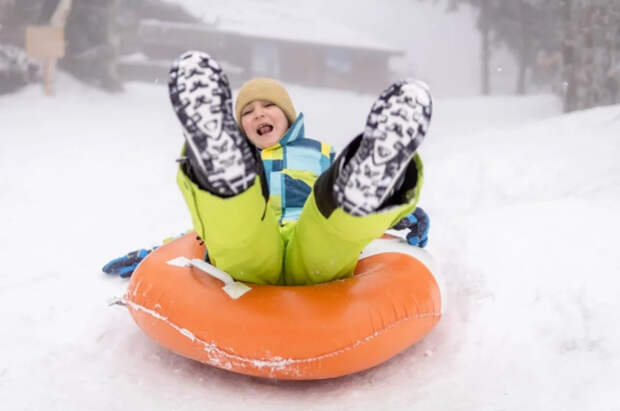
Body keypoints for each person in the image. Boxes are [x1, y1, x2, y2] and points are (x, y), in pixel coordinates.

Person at [104, 50, 431, 285]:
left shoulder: (321, 153)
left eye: (268, 105)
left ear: (288, 114)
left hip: (308, 237)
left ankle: (376, 178)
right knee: (237, 232)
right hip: (260, 246)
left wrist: (395, 213)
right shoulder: (248, 162)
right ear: (239, 127)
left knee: (333, 224)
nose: (258, 114)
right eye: (247, 112)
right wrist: (157, 253)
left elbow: (338, 221)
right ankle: (220, 175)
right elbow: (207, 230)